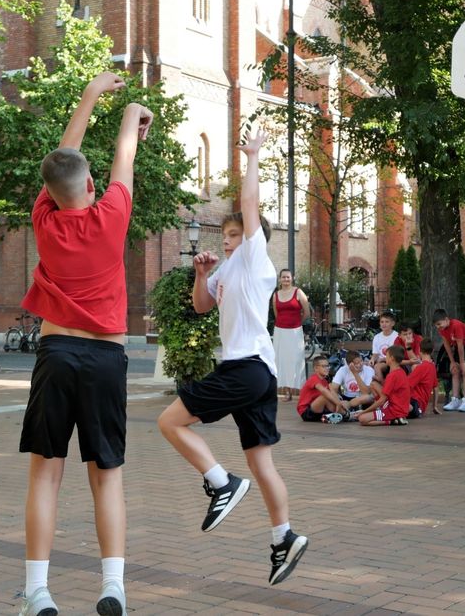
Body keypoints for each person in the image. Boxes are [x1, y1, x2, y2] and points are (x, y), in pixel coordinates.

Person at [16, 73, 153, 616]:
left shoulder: (43, 219)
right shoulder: (112, 215)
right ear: (93, 186)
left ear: (48, 195)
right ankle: (112, 586)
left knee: (46, 474)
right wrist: (131, 112)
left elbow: (63, 161)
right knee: (107, 476)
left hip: (55, 354)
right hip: (105, 358)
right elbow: (123, 156)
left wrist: (92, 94)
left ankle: (38, 593)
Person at [156, 128, 308, 587]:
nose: (227, 240)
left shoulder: (257, 259)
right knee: (262, 462)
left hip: (246, 369)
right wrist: (201, 274)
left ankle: (221, 482)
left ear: (251, 236)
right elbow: (202, 306)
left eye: (235, 234)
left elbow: (249, 202)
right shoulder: (223, 271)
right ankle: (284, 537)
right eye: (224, 235)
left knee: (169, 422)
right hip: (253, 374)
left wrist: (254, 157)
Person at [272, 268, 311, 402]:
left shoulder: (298, 292)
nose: (286, 279)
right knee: (281, 360)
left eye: (288, 277)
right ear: (280, 279)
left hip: (295, 331)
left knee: (296, 360)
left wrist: (297, 323)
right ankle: (287, 392)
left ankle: (302, 393)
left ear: (292, 278)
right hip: (280, 331)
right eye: (283, 277)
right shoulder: (276, 295)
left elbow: (307, 312)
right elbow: (276, 313)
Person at [434, 308, 465, 412]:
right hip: (461, 347)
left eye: (439, 324)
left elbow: (460, 346)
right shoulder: (442, 329)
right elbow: (447, 345)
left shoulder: (456, 325)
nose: (438, 327)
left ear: (446, 319)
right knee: (455, 370)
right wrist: (453, 362)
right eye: (436, 325)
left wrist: (462, 362)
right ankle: (455, 400)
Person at [356, 343, 412, 426]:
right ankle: (383, 412)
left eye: (387, 356)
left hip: (394, 410)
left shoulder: (392, 375)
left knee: (362, 419)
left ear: (392, 358)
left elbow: (382, 400)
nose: (385, 358)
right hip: (399, 406)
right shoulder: (400, 371)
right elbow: (389, 388)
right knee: (374, 384)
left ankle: (393, 421)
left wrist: (363, 412)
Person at [296, 355, 349, 423]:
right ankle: (346, 415)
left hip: (317, 410)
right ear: (316, 368)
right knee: (325, 397)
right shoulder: (314, 378)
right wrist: (337, 404)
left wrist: (340, 402)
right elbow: (324, 391)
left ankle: (327, 417)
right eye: (323, 366)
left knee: (342, 401)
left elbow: (332, 393)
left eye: (327, 366)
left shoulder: (324, 381)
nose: (327, 368)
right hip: (306, 412)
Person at [407, 339, 440, 417]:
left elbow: (407, 385)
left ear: (419, 350)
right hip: (421, 408)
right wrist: (434, 406)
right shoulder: (432, 367)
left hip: (414, 402)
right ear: (432, 351)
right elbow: (436, 387)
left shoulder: (421, 367)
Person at [369, 311, 399, 378]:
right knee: (364, 365)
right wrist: (372, 359)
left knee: (377, 367)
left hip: (391, 362)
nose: (384, 324)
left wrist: (383, 359)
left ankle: (383, 385)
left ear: (393, 323)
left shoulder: (396, 336)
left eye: (386, 322)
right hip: (379, 361)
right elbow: (375, 354)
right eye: (382, 322)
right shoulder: (377, 337)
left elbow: (396, 355)